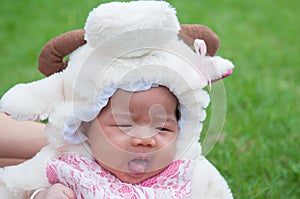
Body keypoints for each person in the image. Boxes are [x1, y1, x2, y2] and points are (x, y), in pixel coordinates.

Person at [0, 1, 234, 198]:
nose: (145, 140)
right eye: (123, 124)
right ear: (86, 126)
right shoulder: (70, 170)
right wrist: (42, 195)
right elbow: (13, 187)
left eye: (163, 128)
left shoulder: (189, 174)